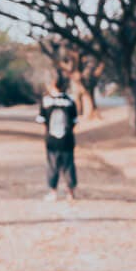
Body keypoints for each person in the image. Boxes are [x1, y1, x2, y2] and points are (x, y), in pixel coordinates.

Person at [36, 74, 79, 202]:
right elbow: (74, 121)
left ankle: (53, 192)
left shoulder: (46, 101)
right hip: (67, 140)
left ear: (52, 85)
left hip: (52, 140)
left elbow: (41, 120)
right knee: (68, 166)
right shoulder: (70, 101)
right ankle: (70, 193)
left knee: (52, 166)